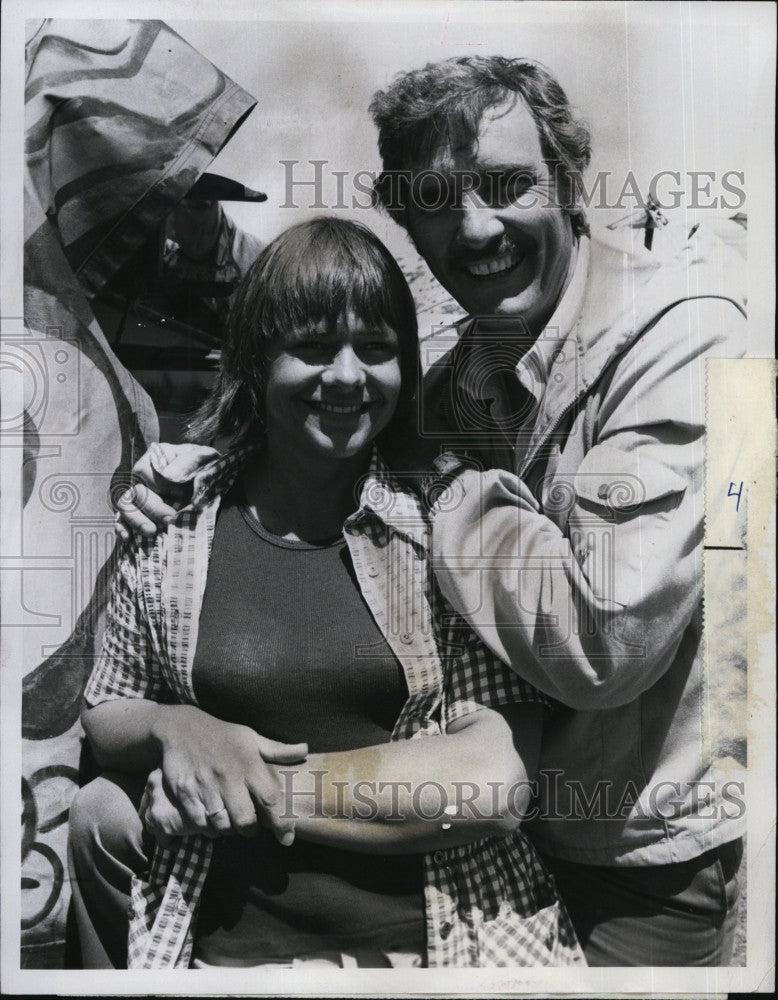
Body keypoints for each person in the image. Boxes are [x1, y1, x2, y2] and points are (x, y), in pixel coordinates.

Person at [121, 57, 749, 967]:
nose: (478, 227)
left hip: (625, 854)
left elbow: (599, 640)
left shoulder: (685, 339)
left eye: (506, 186)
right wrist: (192, 472)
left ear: (569, 184)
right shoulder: (458, 362)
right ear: (405, 215)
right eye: (438, 198)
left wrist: (445, 474)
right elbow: (319, 421)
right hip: (475, 846)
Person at [68, 217, 584, 970]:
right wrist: (176, 729)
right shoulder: (175, 517)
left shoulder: (449, 524)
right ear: (254, 360)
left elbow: (492, 781)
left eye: (375, 349)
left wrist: (245, 783)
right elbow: (107, 708)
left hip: (434, 950)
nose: (347, 376)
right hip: (214, 954)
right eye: (311, 347)